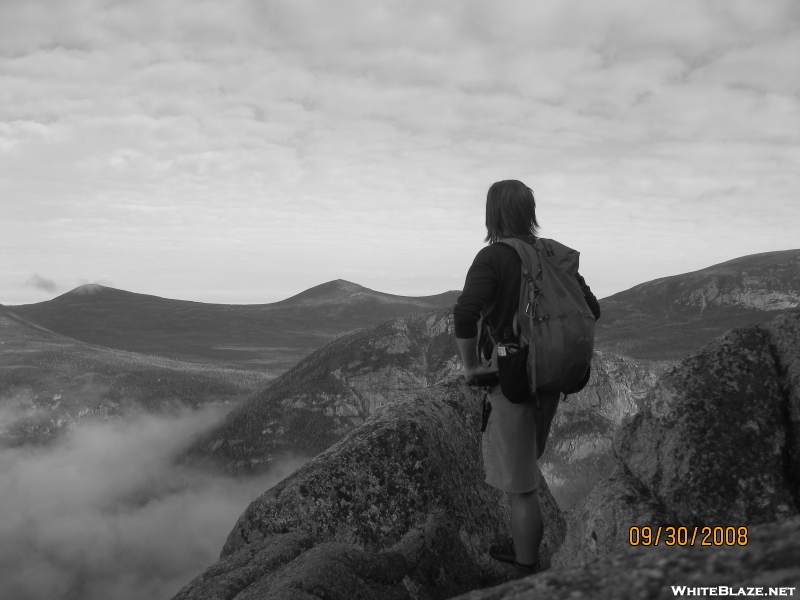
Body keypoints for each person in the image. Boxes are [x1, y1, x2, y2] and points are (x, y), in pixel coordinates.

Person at [453, 180, 601, 579]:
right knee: (524, 468)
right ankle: (523, 547)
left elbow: (465, 313)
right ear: (529, 213)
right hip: (551, 377)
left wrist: (471, 368)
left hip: (514, 380)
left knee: (522, 488)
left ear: (492, 214)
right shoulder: (552, 253)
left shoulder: (493, 257)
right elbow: (593, 309)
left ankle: (525, 572)